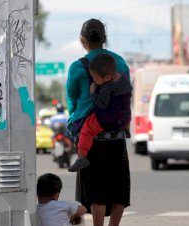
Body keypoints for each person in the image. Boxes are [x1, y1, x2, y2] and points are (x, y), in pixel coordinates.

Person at [66, 18, 131, 226]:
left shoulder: (77, 67)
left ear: (82, 40)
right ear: (105, 38)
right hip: (117, 131)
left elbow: (72, 99)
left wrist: (74, 118)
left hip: (90, 134)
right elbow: (126, 93)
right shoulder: (120, 62)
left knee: (97, 187)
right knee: (119, 184)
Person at [68, 53, 132, 172]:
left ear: (107, 78)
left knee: (87, 128)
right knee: (126, 110)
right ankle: (127, 129)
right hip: (124, 117)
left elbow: (101, 104)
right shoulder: (123, 79)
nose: (94, 81)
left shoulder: (106, 88)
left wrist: (93, 93)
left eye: (96, 78)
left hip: (107, 119)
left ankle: (81, 157)